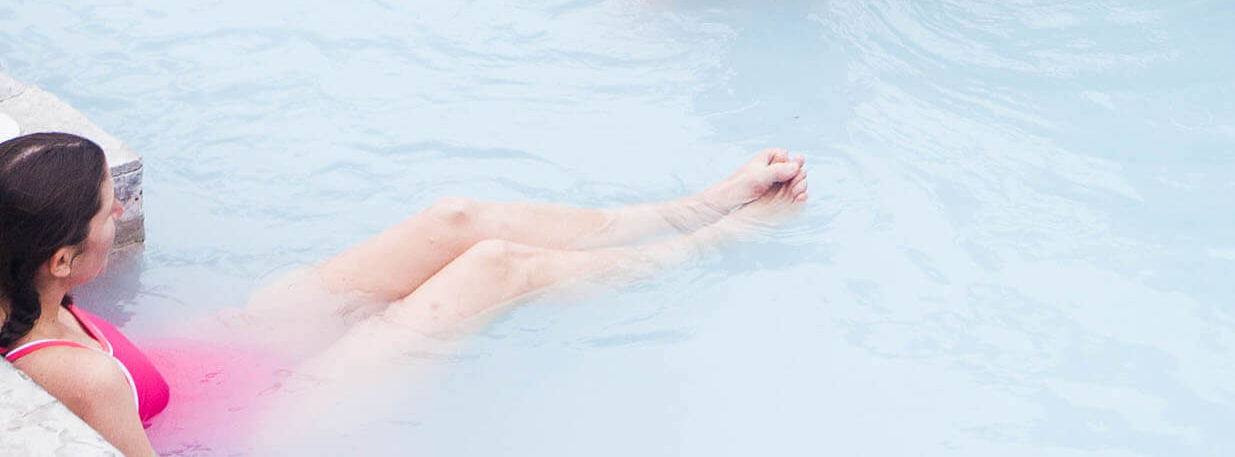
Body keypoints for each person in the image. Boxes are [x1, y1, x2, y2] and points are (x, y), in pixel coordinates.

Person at [0, 131, 809, 457]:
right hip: (260, 425)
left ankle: (689, 208)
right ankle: (714, 243)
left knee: (453, 219)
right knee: (496, 267)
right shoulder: (84, 376)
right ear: (64, 261)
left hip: (214, 355)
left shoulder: (19, 276)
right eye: (112, 212)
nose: (122, 218)